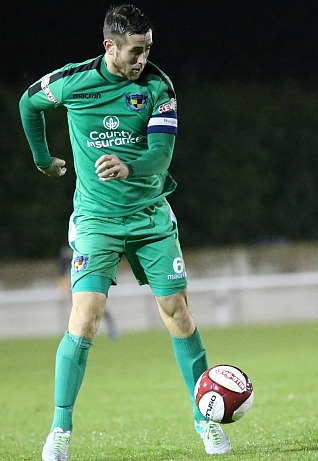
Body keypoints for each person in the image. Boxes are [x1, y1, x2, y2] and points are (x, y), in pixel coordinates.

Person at [19, 5, 231, 459]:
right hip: (96, 218)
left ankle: (205, 420)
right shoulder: (74, 81)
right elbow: (28, 103)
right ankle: (60, 430)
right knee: (86, 317)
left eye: (148, 49)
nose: (142, 59)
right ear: (109, 47)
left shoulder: (158, 86)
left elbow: (161, 153)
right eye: (135, 51)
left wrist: (129, 165)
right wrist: (42, 158)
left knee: (177, 311)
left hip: (151, 217)